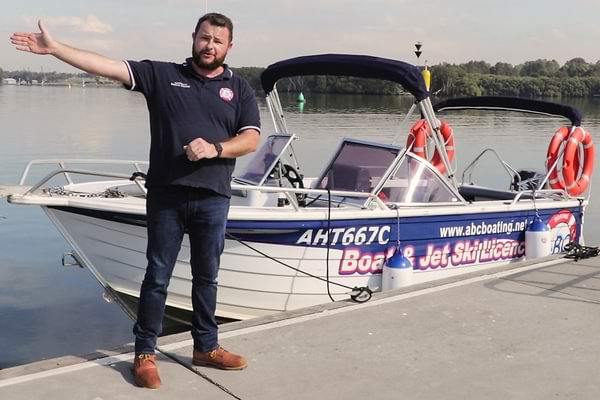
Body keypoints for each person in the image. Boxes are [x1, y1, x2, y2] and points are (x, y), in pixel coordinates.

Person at [10, 13, 260, 389]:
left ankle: (206, 347)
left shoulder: (238, 88)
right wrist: (56, 48)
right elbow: (108, 66)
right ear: (193, 37)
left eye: (218, 41)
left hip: (213, 197)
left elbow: (251, 139)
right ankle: (145, 353)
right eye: (205, 38)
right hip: (167, 195)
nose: (210, 45)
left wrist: (215, 148)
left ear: (229, 47)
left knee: (207, 277)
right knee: (157, 276)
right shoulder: (162, 76)